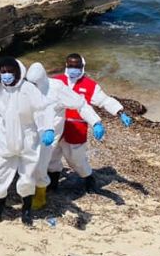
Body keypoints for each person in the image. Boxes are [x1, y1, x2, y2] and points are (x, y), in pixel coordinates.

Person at [0, 56, 53, 226]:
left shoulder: (28, 89)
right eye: (3, 71)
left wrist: (47, 128)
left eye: (10, 71)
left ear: (17, 72)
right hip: (5, 139)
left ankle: (26, 213)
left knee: (27, 178)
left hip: (28, 139)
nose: (6, 75)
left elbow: (42, 109)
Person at [49, 53, 132, 193]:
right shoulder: (56, 82)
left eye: (77, 66)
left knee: (76, 160)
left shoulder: (89, 85)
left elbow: (105, 100)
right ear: (66, 66)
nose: (73, 69)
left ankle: (88, 178)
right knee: (51, 155)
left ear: (82, 67)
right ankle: (52, 183)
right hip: (56, 126)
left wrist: (120, 112)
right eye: (70, 66)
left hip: (76, 128)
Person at [25, 62, 101, 209]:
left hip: (51, 134)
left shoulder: (57, 88)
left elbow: (80, 104)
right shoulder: (28, 89)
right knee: (41, 161)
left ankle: (40, 195)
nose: (32, 86)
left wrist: (95, 121)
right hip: (32, 130)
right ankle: (49, 185)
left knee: (41, 162)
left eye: (35, 84)